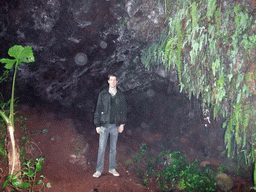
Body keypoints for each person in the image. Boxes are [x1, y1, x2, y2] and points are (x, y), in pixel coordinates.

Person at [93, 74, 127, 178]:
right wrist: (97, 124)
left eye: (114, 80)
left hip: (115, 126)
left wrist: (122, 124)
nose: (112, 82)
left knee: (113, 148)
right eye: (111, 80)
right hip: (104, 125)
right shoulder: (103, 94)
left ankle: (112, 168)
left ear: (117, 82)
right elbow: (98, 109)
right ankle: (99, 170)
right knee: (102, 148)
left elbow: (123, 110)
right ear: (108, 81)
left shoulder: (120, 95)